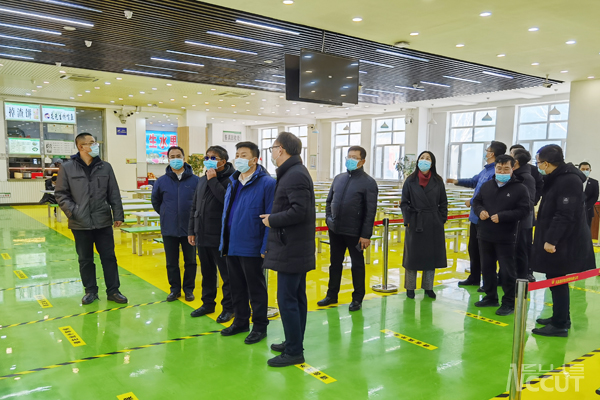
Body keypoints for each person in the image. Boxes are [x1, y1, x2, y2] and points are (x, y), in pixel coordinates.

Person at [260, 132, 315, 367]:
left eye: (273, 148)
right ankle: (294, 341)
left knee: (287, 300)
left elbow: (298, 211)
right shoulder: (293, 172)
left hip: (292, 247)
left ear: (281, 149)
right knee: (296, 297)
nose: (272, 152)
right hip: (293, 245)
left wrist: (272, 220)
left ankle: (294, 352)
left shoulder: (294, 174)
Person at [531, 145, 596, 337]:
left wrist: (551, 240)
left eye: (539, 162)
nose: (538, 166)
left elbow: (565, 213)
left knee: (558, 279)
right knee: (554, 278)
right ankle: (560, 317)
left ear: (547, 163)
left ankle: (559, 325)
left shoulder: (569, 180)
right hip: (559, 237)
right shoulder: (557, 177)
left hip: (564, 241)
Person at [55, 132, 127, 305]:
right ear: (81, 147)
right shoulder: (67, 167)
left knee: (109, 257)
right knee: (85, 259)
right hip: (79, 223)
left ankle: (113, 291)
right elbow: (61, 194)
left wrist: (118, 214)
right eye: (92, 142)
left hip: (102, 220)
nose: (95, 145)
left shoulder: (105, 167)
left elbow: (113, 192)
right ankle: (90, 291)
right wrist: (73, 212)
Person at [219, 141, 276, 344]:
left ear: (255, 159)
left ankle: (260, 326)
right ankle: (240, 322)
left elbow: (270, 217)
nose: (239, 159)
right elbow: (227, 213)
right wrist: (223, 241)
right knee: (236, 287)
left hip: (252, 245)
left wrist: (265, 246)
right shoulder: (233, 181)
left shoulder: (267, 183)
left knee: (256, 289)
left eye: (243, 155)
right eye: (237, 155)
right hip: (232, 243)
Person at [318, 146, 378, 312]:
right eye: (348, 156)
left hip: (355, 232)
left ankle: (357, 298)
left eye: (354, 157)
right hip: (336, 230)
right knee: (335, 264)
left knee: (357, 265)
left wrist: (365, 235)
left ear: (362, 161)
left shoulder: (368, 183)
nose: (350, 160)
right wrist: (329, 220)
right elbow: (329, 201)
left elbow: (370, 211)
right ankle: (332, 294)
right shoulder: (339, 178)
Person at [472, 154, 529, 316]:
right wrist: (480, 211)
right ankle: (490, 297)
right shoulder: (487, 186)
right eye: (499, 168)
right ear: (495, 168)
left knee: (507, 271)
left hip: (506, 236)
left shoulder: (520, 188)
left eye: (506, 169)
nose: (502, 172)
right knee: (487, 267)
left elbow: (524, 210)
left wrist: (503, 216)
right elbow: (477, 202)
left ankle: (509, 302)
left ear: (512, 169)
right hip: (485, 234)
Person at [447, 141, 506, 288]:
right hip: (475, 218)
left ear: (492, 153)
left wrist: (472, 201)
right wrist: (456, 181)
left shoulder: (496, 172)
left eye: (487, 150)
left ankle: (488, 282)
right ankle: (474, 277)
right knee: (473, 249)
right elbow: (474, 181)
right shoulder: (485, 171)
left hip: (486, 217)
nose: (486, 152)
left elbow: (490, 194)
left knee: (486, 252)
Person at [188, 146, 235, 323]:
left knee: (226, 275)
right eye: (207, 157)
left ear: (223, 161)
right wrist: (192, 230)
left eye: (213, 158)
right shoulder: (202, 179)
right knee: (207, 273)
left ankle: (229, 308)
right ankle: (208, 303)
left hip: (220, 236)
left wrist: (213, 180)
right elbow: (195, 206)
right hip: (202, 234)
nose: (209, 161)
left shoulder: (232, 179)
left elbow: (226, 201)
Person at [151, 146, 199, 302]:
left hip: (189, 229)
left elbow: (199, 203)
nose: (175, 159)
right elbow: (156, 202)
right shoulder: (161, 181)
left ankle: (189, 289)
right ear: (168, 159)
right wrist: (167, 214)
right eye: (172, 156)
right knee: (171, 262)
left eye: (178, 156)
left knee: (190, 261)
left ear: (184, 158)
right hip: (169, 228)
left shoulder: (196, 181)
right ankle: (174, 289)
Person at [400, 151, 448, 299]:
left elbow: (443, 202)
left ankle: (428, 287)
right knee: (412, 256)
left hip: (433, 222)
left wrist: (441, 219)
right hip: (415, 221)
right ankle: (410, 288)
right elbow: (404, 202)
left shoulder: (438, 181)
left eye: (428, 158)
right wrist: (408, 220)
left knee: (430, 256)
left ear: (432, 163)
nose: (424, 160)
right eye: (422, 158)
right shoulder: (410, 180)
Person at [512, 149, 536, 280]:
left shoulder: (526, 177)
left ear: (516, 162)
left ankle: (521, 276)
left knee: (521, 249)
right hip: (514, 219)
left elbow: (528, 201)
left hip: (522, 220)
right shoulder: (516, 175)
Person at [579, 162, 599, 229]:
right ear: (579, 170)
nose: (585, 171)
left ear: (590, 170)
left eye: (587, 169)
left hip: (588, 210)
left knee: (586, 229)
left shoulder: (594, 182)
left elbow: (595, 196)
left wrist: (586, 206)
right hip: (574, 211)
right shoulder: (574, 181)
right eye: (583, 169)